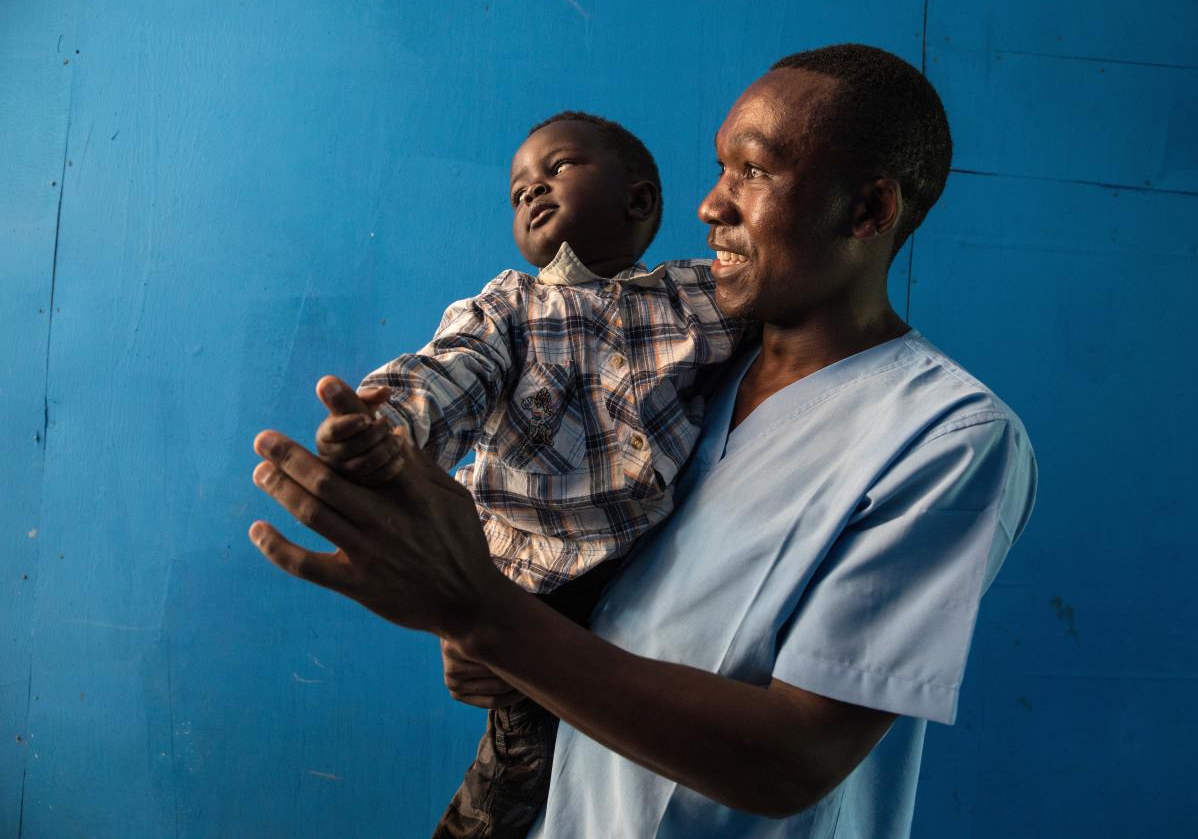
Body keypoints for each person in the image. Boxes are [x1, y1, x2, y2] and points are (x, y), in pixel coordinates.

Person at [249, 43, 1037, 838]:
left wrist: (484, 611)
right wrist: (497, 640)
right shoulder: (675, 381)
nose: (712, 205)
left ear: (867, 211)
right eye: (720, 168)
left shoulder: (946, 438)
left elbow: (796, 756)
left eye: (754, 172)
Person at [314, 111, 747, 836]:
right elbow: (449, 372)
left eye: (558, 169)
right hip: (537, 591)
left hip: (655, 582)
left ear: (638, 202)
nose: (533, 191)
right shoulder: (510, 309)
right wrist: (386, 428)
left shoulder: (691, 297)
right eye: (518, 191)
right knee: (514, 778)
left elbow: (772, 308)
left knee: (638, 770)